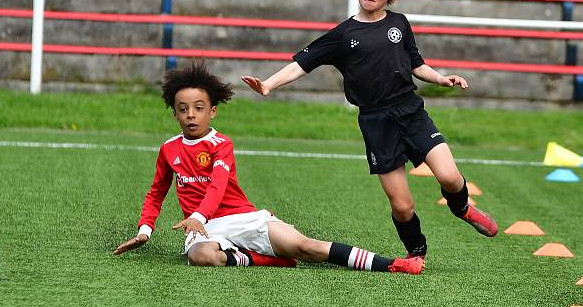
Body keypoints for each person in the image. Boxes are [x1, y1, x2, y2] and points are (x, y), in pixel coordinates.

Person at [240, 0, 498, 260]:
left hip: (410, 111)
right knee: (402, 206)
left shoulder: (400, 24)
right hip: (377, 123)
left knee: (451, 178)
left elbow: (416, 64)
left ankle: (463, 208)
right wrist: (268, 83)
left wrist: (441, 78)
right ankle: (417, 253)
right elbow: (303, 63)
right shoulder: (344, 34)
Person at [113, 61, 424, 275]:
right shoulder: (169, 149)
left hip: (242, 217)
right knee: (200, 256)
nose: (191, 115)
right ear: (175, 115)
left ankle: (393, 264)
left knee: (305, 247)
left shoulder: (222, 144)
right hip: (206, 229)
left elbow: (217, 186)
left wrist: (195, 215)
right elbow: (156, 192)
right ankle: (266, 260)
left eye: (198, 108)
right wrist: (144, 230)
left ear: (212, 112)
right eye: (183, 110)